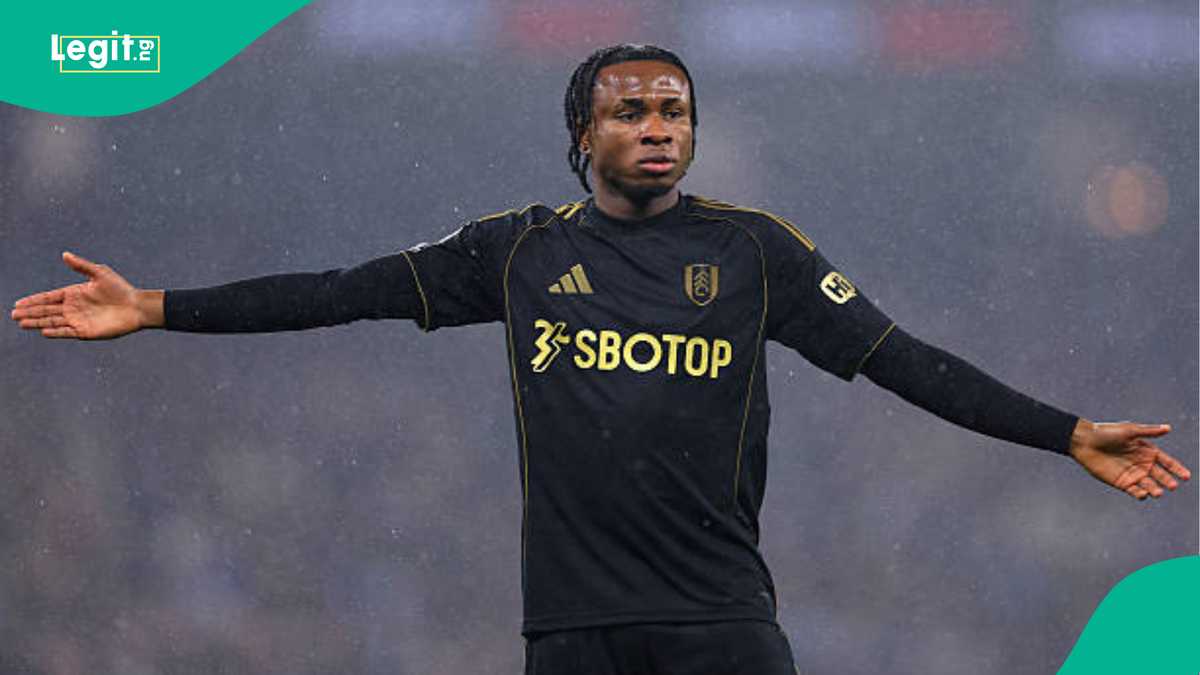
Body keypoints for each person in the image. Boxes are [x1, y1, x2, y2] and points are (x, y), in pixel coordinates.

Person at [10, 44, 1191, 675]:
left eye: (675, 110)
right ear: (584, 135)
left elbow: (906, 361)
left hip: (723, 627)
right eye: (632, 111)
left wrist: (1062, 431)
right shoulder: (518, 253)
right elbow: (338, 292)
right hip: (576, 635)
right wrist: (155, 307)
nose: (659, 127)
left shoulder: (756, 252)